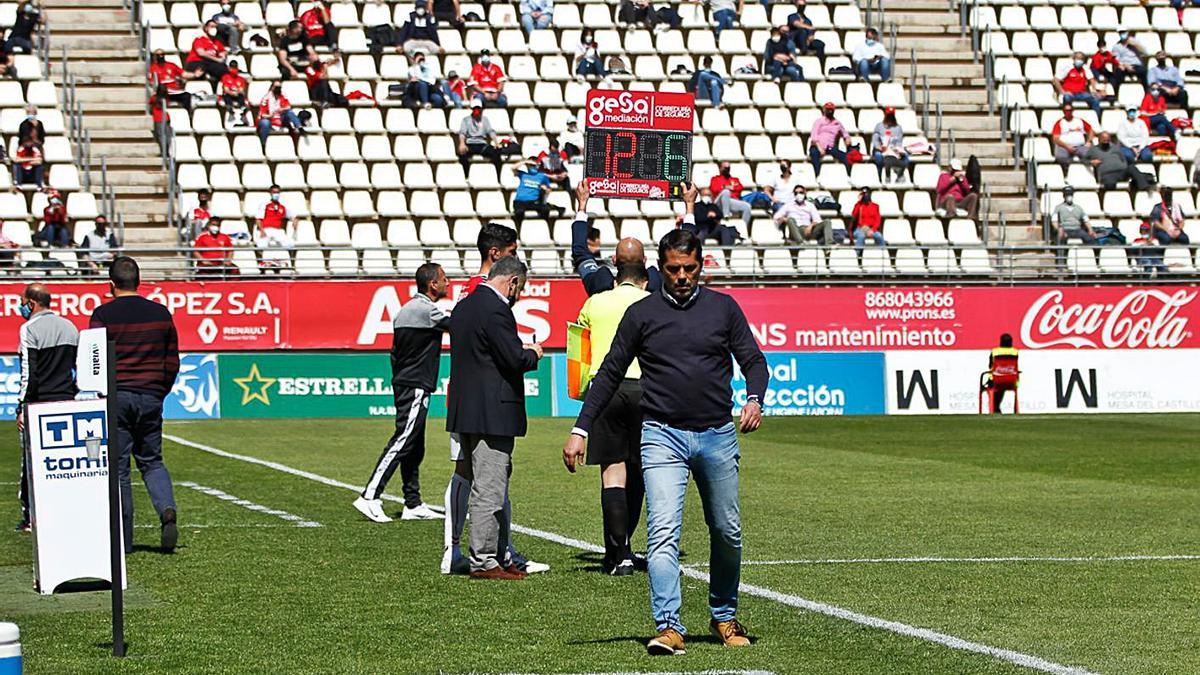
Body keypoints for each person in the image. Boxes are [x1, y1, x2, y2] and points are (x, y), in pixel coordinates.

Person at [562, 183, 768, 655]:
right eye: (673, 269)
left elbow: (754, 361)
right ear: (660, 268)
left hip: (717, 434)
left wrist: (754, 397)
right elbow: (611, 372)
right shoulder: (641, 313)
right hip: (661, 436)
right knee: (662, 534)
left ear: (701, 266)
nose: (681, 276)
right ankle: (669, 625)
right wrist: (580, 429)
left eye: (690, 269)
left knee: (727, 530)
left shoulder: (723, 308)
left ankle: (724, 616)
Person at [441, 223, 548, 576]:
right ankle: (484, 559)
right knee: (490, 487)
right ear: (513, 282)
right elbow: (512, 359)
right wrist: (533, 353)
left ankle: (482, 554)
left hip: (466, 409)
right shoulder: (496, 309)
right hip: (492, 411)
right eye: (521, 288)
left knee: (477, 482)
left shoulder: (465, 305)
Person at [90, 256, 181, 554]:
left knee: (119, 469)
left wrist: (100, 393)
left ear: (111, 284)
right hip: (151, 395)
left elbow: (95, 361)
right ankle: (166, 510)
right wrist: (160, 391)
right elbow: (172, 360)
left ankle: (123, 538)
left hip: (117, 396)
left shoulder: (103, 314)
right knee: (152, 461)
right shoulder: (161, 313)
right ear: (138, 281)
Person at [353, 262, 450, 523]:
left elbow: (394, 353)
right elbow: (461, 327)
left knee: (414, 444)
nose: (447, 283)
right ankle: (370, 496)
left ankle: (412, 502)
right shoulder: (428, 312)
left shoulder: (405, 311)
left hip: (405, 382)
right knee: (404, 439)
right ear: (432, 285)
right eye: (444, 279)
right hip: (416, 384)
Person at [573, 261, 650, 575]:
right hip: (645, 388)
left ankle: (619, 556)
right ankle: (626, 548)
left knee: (613, 475)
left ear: (617, 277)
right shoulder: (651, 302)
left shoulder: (595, 301)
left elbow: (579, 344)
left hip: (606, 387)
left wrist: (581, 389)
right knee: (641, 472)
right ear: (645, 280)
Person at [14, 283, 78, 532]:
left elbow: (29, 373)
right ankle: (64, 511)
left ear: (31, 303)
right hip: (66, 400)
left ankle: (31, 517)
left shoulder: (29, 328)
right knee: (64, 461)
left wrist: (21, 406)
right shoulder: (70, 326)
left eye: (23, 301)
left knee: (31, 460)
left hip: (39, 403)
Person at [571, 181, 663, 295]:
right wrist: (689, 207)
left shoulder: (599, 287)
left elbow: (580, 253)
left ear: (614, 260)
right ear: (644, 260)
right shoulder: (657, 287)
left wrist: (582, 206)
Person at [1087, 131, 1153, 191]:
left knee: (1132, 168)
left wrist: (1123, 165)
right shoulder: (1093, 150)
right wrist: (1091, 162)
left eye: (1108, 140)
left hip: (1122, 172)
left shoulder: (1115, 148)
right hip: (1107, 174)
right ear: (1099, 140)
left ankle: (1144, 188)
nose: (1106, 142)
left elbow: (1123, 158)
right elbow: (1083, 159)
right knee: (1109, 185)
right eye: (1104, 140)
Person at [511, 157, 562, 225]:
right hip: (520, 201)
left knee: (545, 210)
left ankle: (542, 226)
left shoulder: (542, 176)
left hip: (533, 201)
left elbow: (549, 189)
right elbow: (513, 168)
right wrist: (525, 162)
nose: (533, 167)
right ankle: (519, 230)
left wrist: (545, 189)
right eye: (531, 165)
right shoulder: (523, 174)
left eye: (534, 165)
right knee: (519, 212)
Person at [457, 100, 502, 173]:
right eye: (475, 108)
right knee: (461, 153)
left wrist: (496, 142)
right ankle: (466, 174)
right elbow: (462, 133)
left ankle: (497, 175)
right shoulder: (466, 120)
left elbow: (490, 131)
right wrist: (462, 143)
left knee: (497, 153)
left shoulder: (485, 119)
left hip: (482, 145)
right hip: (470, 144)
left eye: (478, 108)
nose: (477, 110)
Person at [1054, 52, 1101, 117]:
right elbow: (1056, 79)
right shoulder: (1068, 68)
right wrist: (1062, 91)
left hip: (1082, 94)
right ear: (1074, 59)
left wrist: (1094, 89)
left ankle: (1096, 119)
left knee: (1095, 100)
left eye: (1081, 59)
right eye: (1077, 58)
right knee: (1066, 98)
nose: (1079, 60)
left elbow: (1092, 79)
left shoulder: (1085, 68)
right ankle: (1068, 117)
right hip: (1070, 94)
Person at [809, 102, 850, 173]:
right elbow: (814, 137)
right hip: (818, 146)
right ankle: (817, 175)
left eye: (831, 110)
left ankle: (848, 174)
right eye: (828, 109)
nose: (830, 111)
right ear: (824, 110)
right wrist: (820, 148)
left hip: (830, 147)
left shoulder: (837, 123)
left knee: (846, 157)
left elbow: (845, 134)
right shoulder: (819, 121)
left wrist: (847, 139)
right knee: (814, 154)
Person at [708, 162, 752, 229]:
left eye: (728, 168)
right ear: (720, 168)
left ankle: (742, 229)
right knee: (726, 192)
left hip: (732, 201)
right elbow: (715, 189)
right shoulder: (715, 179)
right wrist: (730, 187)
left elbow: (740, 188)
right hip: (719, 202)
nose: (727, 170)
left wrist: (725, 186)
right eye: (725, 168)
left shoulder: (734, 179)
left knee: (747, 207)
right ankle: (726, 214)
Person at [1050, 103, 1093, 170]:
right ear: (1063, 111)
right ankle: (1067, 173)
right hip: (1064, 146)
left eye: (1070, 110)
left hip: (1080, 146)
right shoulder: (1059, 122)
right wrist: (1067, 146)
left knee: (1091, 156)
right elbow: (1055, 138)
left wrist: (1089, 141)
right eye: (1066, 110)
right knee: (1061, 157)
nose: (1068, 112)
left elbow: (1090, 130)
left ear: (1072, 111)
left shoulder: (1079, 121)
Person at [871, 107, 908, 184]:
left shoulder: (898, 128)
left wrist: (897, 149)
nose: (890, 118)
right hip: (881, 150)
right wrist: (879, 147)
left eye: (891, 116)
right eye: (888, 116)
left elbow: (899, 142)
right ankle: (881, 177)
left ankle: (900, 175)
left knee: (906, 157)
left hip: (893, 150)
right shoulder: (879, 126)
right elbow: (875, 140)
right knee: (878, 156)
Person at [985, 334, 1019, 414]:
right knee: (1003, 382)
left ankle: (995, 408)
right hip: (1012, 381)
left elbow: (990, 365)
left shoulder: (995, 352)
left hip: (996, 381)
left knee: (998, 383)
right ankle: (997, 408)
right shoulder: (1015, 352)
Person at [537, 140, 572, 205]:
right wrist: (551, 176)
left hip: (557, 177)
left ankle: (568, 201)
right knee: (541, 181)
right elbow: (539, 173)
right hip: (547, 177)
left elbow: (564, 171)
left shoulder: (559, 157)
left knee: (567, 180)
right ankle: (541, 203)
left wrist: (562, 175)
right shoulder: (543, 158)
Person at [219, 59, 251, 127]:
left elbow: (242, 90)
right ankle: (230, 109)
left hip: (237, 94)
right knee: (227, 96)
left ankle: (242, 109)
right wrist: (232, 93)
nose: (233, 69)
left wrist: (236, 92)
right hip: (229, 94)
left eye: (235, 67)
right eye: (232, 67)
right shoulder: (225, 77)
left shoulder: (241, 79)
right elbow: (225, 89)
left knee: (241, 96)